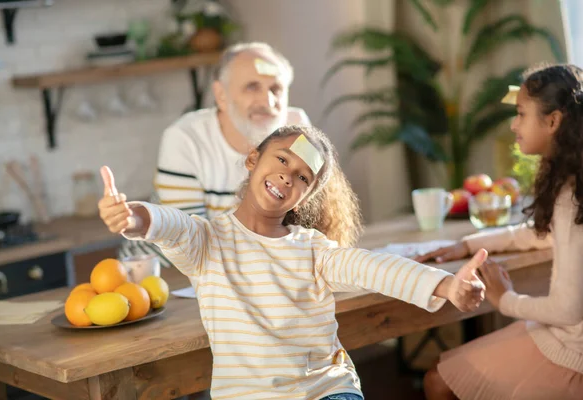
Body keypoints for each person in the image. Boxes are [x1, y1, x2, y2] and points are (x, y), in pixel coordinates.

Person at [99, 125, 488, 400]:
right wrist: (133, 217)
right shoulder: (208, 241)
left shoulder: (313, 249)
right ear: (253, 159)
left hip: (327, 391)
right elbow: (170, 224)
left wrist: (447, 285)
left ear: (304, 198)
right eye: (282, 159)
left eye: (303, 177)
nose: (288, 177)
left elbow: (371, 266)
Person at [416, 64, 583, 400]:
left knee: (437, 380)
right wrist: (467, 244)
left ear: (553, 121)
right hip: (568, 338)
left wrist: (504, 300)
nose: (513, 124)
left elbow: (567, 310)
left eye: (521, 114)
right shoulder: (572, 186)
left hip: (574, 353)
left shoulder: (572, 197)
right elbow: (540, 234)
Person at [119, 42, 311, 263]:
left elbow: (310, 222)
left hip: (255, 270)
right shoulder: (185, 138)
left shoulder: (299, 132)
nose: (267, 102)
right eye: (252, 87)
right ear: (221, 95)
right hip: (164, 272)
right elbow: (190, 240)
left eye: (275, 89)